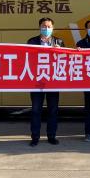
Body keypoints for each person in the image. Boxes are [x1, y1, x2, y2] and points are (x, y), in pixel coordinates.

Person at [26, 17, 64, 146]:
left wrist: (59, 50)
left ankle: (51, 136)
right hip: (37, 81)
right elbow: (26, 58)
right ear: (39, 27)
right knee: (36, 110)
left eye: (49, 26)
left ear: (53, 28)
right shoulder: (32, 41)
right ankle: (35, 137)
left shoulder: (59, 41)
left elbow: (65, 60)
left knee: (53, 110)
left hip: (53, 81)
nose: (46, 29)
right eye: (44, 26)